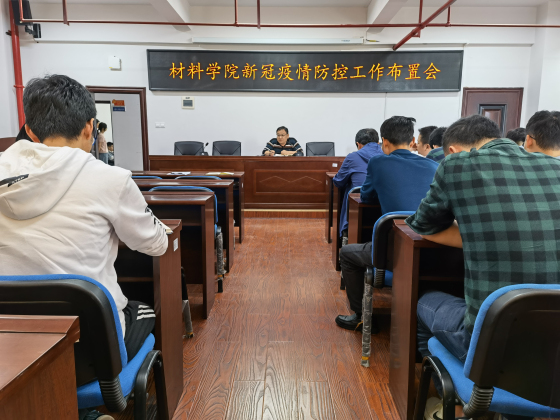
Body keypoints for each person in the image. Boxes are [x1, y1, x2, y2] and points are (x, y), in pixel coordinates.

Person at [0, 75, 168, 420]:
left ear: (29, 130)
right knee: (142, 309)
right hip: (89, 358)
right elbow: (156, 244)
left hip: (9, 351)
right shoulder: (110, 179)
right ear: (90, 127)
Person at [406, 114, 560, 420]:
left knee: (423, 301)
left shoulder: (456, 166)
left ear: (451, 150)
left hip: (493, 350)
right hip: (553, 350)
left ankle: (449, 405)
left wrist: (477, 236)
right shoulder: (555, 167)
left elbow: (423, 225)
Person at [335, 116, 438, 332]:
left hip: (395, 251)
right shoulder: (434, 165)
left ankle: (361, 317)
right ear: (412, 141)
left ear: (385, 142)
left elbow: (367, 196)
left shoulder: (378, 162)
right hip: (434, 248)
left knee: (347, 253)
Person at [333, 128, 383, 240]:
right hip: (382, 215)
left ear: (358, 144)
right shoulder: (388, 156)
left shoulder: (352, 157)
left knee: (350, 190)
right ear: (378, 142)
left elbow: (338, 182)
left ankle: (345, 234)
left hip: (358, 212)